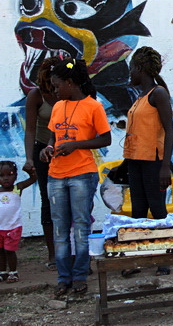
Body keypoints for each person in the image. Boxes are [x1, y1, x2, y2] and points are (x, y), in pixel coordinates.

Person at [39, 58, 112, 296]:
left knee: (80, 226)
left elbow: (105, 139)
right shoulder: (59, 106)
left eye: (57, 85)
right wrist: (47, 148)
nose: (55, 90)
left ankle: (80, 275)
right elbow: (53, 136)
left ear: (70, 83)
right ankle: (64, 278)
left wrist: (77, 145)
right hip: (56, 174)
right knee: (60, 228)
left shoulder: (93, 106)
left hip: (82, 174)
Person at [123, 46, 173, 276]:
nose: (130, 73)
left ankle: (164, 257)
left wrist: (165, 166)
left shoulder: (158, 94)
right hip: (135, 161)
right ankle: (139, 257)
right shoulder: (140, 98)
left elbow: (170, 131)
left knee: (157, 209)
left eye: (132, 68)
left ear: (140, 68)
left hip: (153, 161)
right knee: (139, 211)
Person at [22, 56, 61, 270]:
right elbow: (29, 129)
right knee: (48, 199)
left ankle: (70, 248)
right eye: (49, 83)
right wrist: (29, 158)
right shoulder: (36, 96)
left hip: (64, 149)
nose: (53, 88)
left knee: (67, 198)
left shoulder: (67, 92)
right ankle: (52, 252)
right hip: (42, 150)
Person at [0, 161, 37, 283]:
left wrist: (30, 171)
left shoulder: (17, 189)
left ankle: (13, 272)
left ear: (16, 176)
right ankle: (2, 272)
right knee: (0, 250)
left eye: (9, 174)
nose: (6, 178)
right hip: (0, 228)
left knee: (9, 250)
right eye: (1, 175)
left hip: (13, 227)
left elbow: (33, 179)